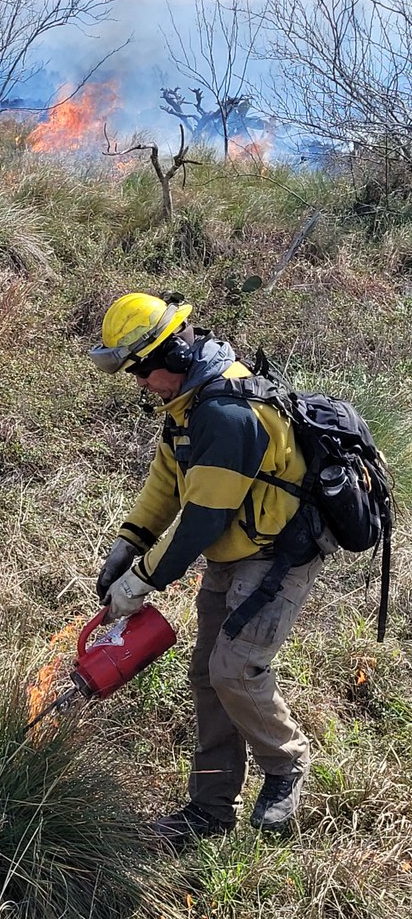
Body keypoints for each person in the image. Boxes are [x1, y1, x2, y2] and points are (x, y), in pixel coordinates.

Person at [89, 291, 323, 849]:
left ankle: (286, 765)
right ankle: (210, 810)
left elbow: (202, 522)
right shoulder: (187, 405)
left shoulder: (225, 413)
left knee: (235, 668)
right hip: (234, 554)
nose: (140, 384)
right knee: (207, 675)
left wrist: (139, 581)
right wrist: (129, 543)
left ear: (168, 355)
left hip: (277, 557)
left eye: (141, 371)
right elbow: (167, 485)